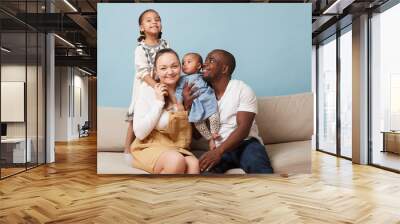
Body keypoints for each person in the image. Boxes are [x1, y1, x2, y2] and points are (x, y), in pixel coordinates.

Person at [183, 49, 273, 174]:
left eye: (211, 60)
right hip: (218, 147)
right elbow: (197, 136)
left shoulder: (242, 89)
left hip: (246, 144)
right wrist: (188, 106)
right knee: (202, 180)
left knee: (262, 173)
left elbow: (243, 129)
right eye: (206, 60)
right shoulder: (202, 94)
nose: (204, 64)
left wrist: (218, 152)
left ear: (224, 69)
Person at [130, 48, 199, 174]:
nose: (170, 72)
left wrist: (188, 106)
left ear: (180, 67)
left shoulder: (187, 91)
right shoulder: (148, 90)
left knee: (194, 164)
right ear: (155, 71)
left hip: (176, 147)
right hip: (149, 146)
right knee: (175, 160)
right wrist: (159, 102)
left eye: (174, 66)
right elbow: (139, 133)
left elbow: (196, 135)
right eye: (163, 68)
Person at [124, 9, 169, 161]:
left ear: (161, 26)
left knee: (158, 115)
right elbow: (142, 73)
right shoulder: (140, 49)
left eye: (157, 19)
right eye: (148, 20)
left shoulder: (165, 44)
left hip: (162, 85)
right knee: (136, 116)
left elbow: (168, 62)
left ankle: (154, 146)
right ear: (141, 28)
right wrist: (155, 85)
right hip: (145, 86)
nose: (154, 22)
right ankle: (126, 150)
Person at [176, 53, 220, 151]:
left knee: (214, 116)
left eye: (189, 62)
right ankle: (209, 139)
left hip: (207, 100)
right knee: (198, 123)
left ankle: (214, 133)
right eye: (183, 63)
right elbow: (179, 92)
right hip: (196, 104)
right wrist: (179, 103)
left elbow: (213, 84)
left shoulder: (204, 76)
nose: (184, 65)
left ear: (199, 66)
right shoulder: (182, 79)